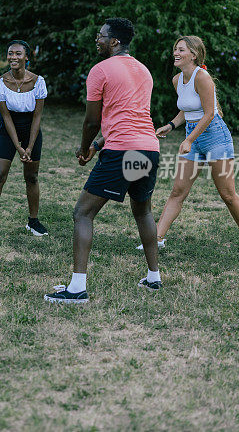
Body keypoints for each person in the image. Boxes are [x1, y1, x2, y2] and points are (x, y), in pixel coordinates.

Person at [45, 18, 161, 305]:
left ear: (114, 41)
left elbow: (92, 120)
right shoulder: (143, 71)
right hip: (147, 150)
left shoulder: (101, 70)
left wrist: (85, 148)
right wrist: (98, 145)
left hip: (122, 152)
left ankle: (77, 288)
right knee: (143, 212)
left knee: (83, 213)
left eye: (101, 35)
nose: (97, 39)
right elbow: (128, 117)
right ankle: (154, 277)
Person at [141, 35, 239, 253]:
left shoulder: (202, 77)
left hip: (215, 137)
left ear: (193, 55)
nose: (176, 52)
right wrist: (171, 125)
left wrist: (189, 140)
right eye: (175, 49)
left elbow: (210, 113)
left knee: (227, 194)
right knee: (178, 192)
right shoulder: (177, 80)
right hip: (192, 135)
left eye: (181, 50)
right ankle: (157, 238)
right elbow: (187, 109)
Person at [0, 40, 49, 239]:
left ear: (27, 57)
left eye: (18, 53)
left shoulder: (38, 82)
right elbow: (6, 117)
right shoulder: (0, 82)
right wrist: (18, 146)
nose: (13, 57)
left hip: (31, 131)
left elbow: (37, 117)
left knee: (31, 177)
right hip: (8, 131)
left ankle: (33, 221)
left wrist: (30, 146)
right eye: (10, 53)